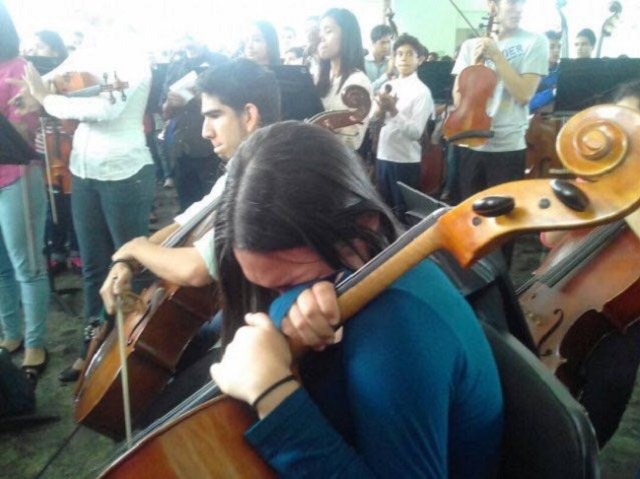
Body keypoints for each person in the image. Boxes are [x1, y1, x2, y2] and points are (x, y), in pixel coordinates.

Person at [210, 120, 504, 477]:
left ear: (365, 227)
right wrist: (289, 304)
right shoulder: (379, 263)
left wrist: (272, 393)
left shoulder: (396, 329)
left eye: (291, 286)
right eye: (268, 289)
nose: (279, 298)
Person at [99, 60, 281, 371]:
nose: (205, 131)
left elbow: (198, 269)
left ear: (249, 116)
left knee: (176, 367)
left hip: (270, 317)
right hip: (246, 303)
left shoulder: (266, 175)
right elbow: (185, 223)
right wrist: (127, 260)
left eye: (214, 116)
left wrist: (136, 248)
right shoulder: (240, 169)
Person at [12, 14, 157, 382]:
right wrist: (34, 91)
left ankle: (136, 352)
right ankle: (92, 348)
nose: (90, 29)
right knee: (94, 268)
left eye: (97, 22)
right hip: (84, 169)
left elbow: (104, 109)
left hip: (125, 173)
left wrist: (47, 101)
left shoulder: (133, 55)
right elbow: (60, 72)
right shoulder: (93, 49)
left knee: (131, 267)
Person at [538, 79, 640, 446]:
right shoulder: (595, 173)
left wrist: (626, 191)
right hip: (563, 284)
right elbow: (550, 241)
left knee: (610, 384)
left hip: (624, 315)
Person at [451, 0, 548, 202]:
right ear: (492, 6)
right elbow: (458, 98)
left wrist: (496, 55)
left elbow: (524, 95)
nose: (519, 9)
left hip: (508, 147)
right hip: (472, 143)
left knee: (503, 218)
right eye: (512, 3)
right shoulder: (470, 46)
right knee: (469, 214)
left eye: (522, 3)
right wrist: (474, 68)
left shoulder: (535, 42)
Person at [0, 2, 50, 381]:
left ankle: (35, 342)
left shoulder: (20, 69)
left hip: (16, 176)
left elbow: (23, 135)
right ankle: (11, 334)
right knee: (0, 267)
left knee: (27, 266)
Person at [159, 35, 228, 212]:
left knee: (216, 209)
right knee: (187, 209)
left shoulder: (221, 62)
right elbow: (163, 110)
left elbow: (230, 102)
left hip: (213, 150)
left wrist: (196, 98)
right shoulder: (175, 66)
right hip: (181, 150)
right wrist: (169, 104)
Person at [373, 33, 434, 216]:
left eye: (409, 54)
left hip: (405, 161)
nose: (403, 58)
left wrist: (393, 111)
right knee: (383, 211)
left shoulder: (422, 91)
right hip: (383, 156)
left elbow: (415, 132)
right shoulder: (388, 85)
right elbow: (374, 120)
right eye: (399, 54)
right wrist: (378, 112)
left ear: (420, 59)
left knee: (402, 214)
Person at [316, 8, 373, 151]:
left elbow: (352, 142)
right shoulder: (322, 78)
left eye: (328, 31)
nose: (321, 37)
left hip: (335, 163)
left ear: (347, 36)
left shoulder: (358, 82)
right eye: (320, 32)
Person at [529, 30, 562, 112]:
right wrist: (552, 92)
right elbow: (527, 104)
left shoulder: (563, 72)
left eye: (559, 47)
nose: (557, 50)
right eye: (552, 47)